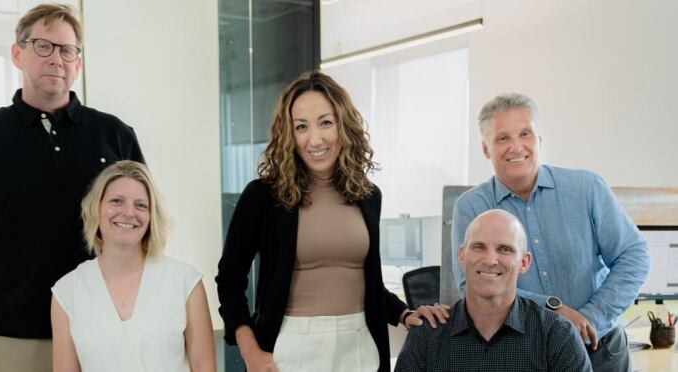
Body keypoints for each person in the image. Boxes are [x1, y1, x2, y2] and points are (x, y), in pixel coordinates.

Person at [0, 4, 144, 371]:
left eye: (67, 50)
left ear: (77, 62)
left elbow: (142, 234)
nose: (57, 60)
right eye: (43, 46)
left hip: (103, 332)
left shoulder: (116, 136)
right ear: (18, 53)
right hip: (14, 337)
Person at [216, 70, 447, 372]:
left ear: (343, 125)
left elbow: (369, 283)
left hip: (360, 344)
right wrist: (251, 352)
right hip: (293, 346)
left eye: (325, 122)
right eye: (301, 127)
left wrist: (404, 314)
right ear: (289, 134)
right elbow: (230, 280)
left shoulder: (367, 195)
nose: (315, 139)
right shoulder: (263, 196)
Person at [451, 93, 649, 371]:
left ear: (539, 139)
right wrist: (555, 310)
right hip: (527, 355)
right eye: (502, 138)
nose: (516, 146)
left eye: (524, 133)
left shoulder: (587, 188)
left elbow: (634, 255)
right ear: (486, 149)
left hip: (600, 349)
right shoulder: (472, 207)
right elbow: (471, 285)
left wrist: (590, 319)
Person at [50, 160, 215, 372]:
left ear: (151, 216)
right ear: (96, 208)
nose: (129, 213)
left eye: (141, 205)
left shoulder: (185, 281)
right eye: (116, 201)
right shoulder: (67, 291)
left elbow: (204, 367)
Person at [395, 210, 592, 371]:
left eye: (504, 249)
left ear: (524, 262)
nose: (490, 260)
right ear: (462, 256)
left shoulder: (558, 336)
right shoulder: (427, 335)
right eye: (479, 247)